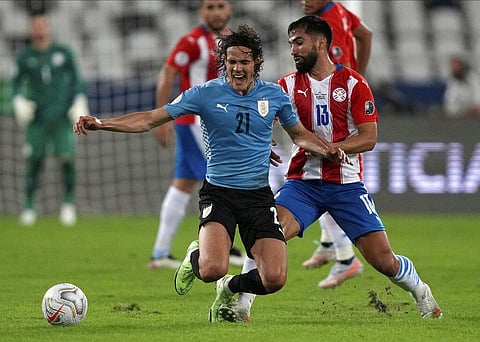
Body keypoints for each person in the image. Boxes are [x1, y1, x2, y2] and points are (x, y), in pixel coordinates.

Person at [73, 23, 349, 322]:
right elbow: (149, 119)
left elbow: (299, 135)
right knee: (211, 268)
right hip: (220, 193)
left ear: (256, 61)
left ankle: (229, 286)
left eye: (244, 61)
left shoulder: (275, 96)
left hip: (258, 197)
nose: (237, 68)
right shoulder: (205, 94)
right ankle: (197, 258)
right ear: (224, 63)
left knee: (274, 279)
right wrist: (101, 122)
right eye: (231, 62)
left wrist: (329, 148)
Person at [219, 16, 442, 322]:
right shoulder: (286, 85)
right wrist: (262, 140)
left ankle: (420, 291)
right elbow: (262, 120)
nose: (293, 50)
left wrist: (339, 148)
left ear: (320, 43)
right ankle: (240, 304)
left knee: (383, 260)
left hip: (346, 186)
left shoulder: (353, 84)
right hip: (302, 184)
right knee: (268, 237)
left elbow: (369, 137)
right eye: (290, 44)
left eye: (299, 42)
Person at [148, 0, 246, 269]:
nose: (216, 12)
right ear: (202, 12)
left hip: (219, 121)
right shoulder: (192, 41)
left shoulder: (231, 40)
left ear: (229, 10)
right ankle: (223, 244)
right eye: (210, 7)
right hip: (195, 121)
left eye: (221, 6)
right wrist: (161, 119)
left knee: (185, 182)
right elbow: (166, 74)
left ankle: (160, 252)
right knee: (225, 178)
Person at [299, 0, 373, 288]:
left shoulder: (328, 26)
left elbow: (332, 65)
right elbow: (365, 34)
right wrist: (361, 73)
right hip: (336, 102)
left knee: (333, 178)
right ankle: (331, 245)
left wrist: (355, 79)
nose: (304, 1)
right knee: (316, 173)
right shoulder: (339, 10)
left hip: (338, 109)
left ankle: (345, 258)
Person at [12, 12, 88, 226]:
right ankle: (28, 207)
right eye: (35, 25)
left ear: (49, 28)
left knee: (66, 158)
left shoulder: (63, 53)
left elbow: (76, 80)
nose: (39, 29)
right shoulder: (24, 56)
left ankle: (68, 204)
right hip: (37, 117)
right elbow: (16, 83)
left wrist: (79, 100)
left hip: (62, 116)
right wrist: (18, 100)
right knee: (34, 160)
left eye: (42, 25)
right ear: (31, 30)